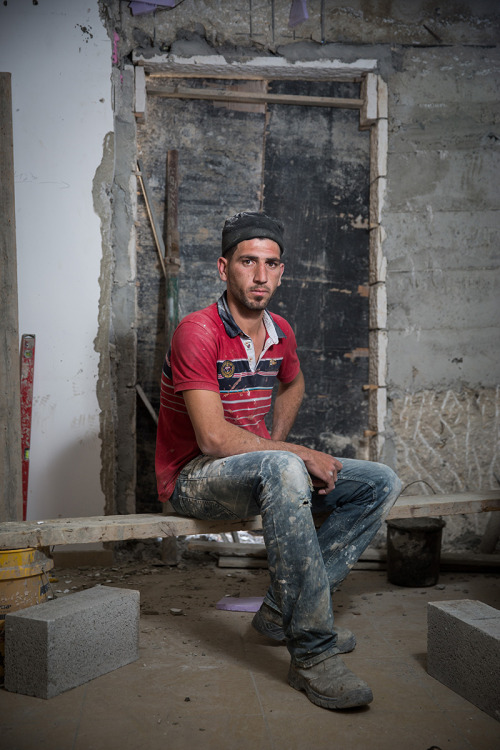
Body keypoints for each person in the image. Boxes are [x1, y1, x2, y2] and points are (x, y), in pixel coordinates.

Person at [155, 211, 402, 710]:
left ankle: (277, 612)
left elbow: (293, 381)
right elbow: (213, 440)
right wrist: (292, 453)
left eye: (271, 264)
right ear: (224, 268)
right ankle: (312, 652)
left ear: (282, 271)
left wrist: (274, 439)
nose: (261, 275)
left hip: (258, 467)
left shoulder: (280, 331)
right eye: (248, 262)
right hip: (193, 478)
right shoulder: (197, 331)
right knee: (287, 465)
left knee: (380, 481)